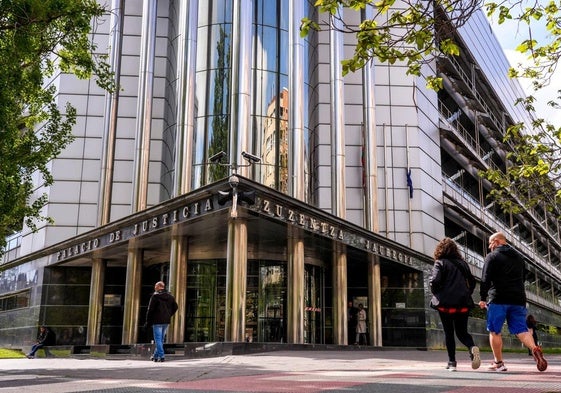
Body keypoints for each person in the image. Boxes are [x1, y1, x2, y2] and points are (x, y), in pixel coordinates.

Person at [478, 232, 547, 372]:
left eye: (491, 243)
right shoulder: (519, 258)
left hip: (498, 298)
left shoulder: (492, 256)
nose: (490, 246)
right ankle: (535, 348)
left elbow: (485, 278)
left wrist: (482, 298)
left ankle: (499, 363)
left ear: (497, 241)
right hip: (518, 299)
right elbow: (523, 278)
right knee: (521, 330)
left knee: (494, 331)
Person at [429, 237, 480, 371]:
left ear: (440, 249)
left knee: (449, 332)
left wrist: (437, 293)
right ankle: (472, 347)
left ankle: (452, 362)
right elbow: (472, 282)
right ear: (455, 250)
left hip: (445, 304)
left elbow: (434, 281)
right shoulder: (463, 264)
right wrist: (467, 293)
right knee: (462, 332)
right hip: (463, 303)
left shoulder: (440, 262)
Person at [145, 281, 178, 362]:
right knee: (161, 339)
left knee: (158, 339)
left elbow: (150, 310)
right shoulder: (170, 296)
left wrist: (148, 321)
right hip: (166, 321)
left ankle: (162, 355)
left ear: (160, 286)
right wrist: (169, 315)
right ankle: (155, 356)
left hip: (156, 321)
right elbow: (176, 307)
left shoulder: (155, 296)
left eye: (156, 286)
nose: (155, 287)